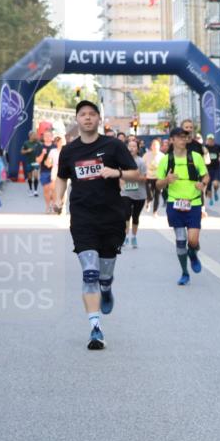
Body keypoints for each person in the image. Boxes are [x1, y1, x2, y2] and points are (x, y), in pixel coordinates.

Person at [55, 100, 140, 350]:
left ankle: (107, 286)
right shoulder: (69, 151)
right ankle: (95, 327)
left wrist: (117, 173)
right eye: (83, 115)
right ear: (77, 119)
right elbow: (61, 177)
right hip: (82, 217)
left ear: (99, 119)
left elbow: (135, 173)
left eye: (92, 114)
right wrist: (57, 200)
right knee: (89, 272)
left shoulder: (113, 146)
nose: (88, 118)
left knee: (104, 273)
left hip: (111, 217)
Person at [156, 127, 209, 285]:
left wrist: (203, 183)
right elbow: (158, 185)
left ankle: (192, 254)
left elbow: (206, 176)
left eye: (185, 137)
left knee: (192, 240)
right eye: (179, 137)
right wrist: (167, 180)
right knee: (180, 240)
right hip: (174, 203)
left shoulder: (196, 157)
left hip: (193, 203)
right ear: (171, 140)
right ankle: (185, 272)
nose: (183, 140)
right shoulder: (166, 160)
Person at [121, 138, 149, 248]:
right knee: (126, 214)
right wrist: (121, 183)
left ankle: (133, 237)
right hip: (125, 192)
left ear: (138, 149)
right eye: (130, 146)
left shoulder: (141, 162)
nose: (131, 148)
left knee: (136, 216)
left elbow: (145, 178)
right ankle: (125, 237)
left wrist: (135, 177)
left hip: (139, 193)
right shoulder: (122, 160)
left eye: (134, 146)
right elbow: (119, 175)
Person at [37, 129, 56, 213]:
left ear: (52, 137)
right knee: (46, 190)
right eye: (46, 136)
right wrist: (43, 153)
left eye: (49, 136)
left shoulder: (55, 147)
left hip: (55, 171)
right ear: (43, 138)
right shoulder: (40, 147)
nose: (47, 137)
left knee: (53, 190)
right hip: (44, 171)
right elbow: (38, 161)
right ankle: (48, 206)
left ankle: (53, 204)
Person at [204, 133, 220, 205]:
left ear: (213, 140)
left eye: (211, 140)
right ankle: (211, 199)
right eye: (209, 140)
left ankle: (215, 191)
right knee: (208, 186)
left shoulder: (217, 146)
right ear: (207, 140)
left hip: (216, 168)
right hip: (207, 169)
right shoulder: (204, 147)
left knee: (215, 184)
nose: (210, 141)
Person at [144, 138, 162, 213]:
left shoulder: (162, 156)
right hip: (148, 177)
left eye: (156, 145)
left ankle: (155, 212)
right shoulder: (146, 155)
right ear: (151, 146)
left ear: (159, 146)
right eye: (153, 145)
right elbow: (142, 165)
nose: (155, 146)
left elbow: (165, 168)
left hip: (158, 178)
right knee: (150, 196)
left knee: (157, 195)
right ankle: (148, 201)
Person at [20, 131, 40, 196]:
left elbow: (42, 150)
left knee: (36, 176)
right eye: (34, 135)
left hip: (36, 162)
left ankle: (36, 191)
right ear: (30, 136)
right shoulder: (26, 143)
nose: (35, 136)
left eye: (36, 135)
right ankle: (30, 189)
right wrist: (27, 151)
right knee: (29, 177)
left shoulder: (37, 143)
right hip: (29, 162)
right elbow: (22, 151)